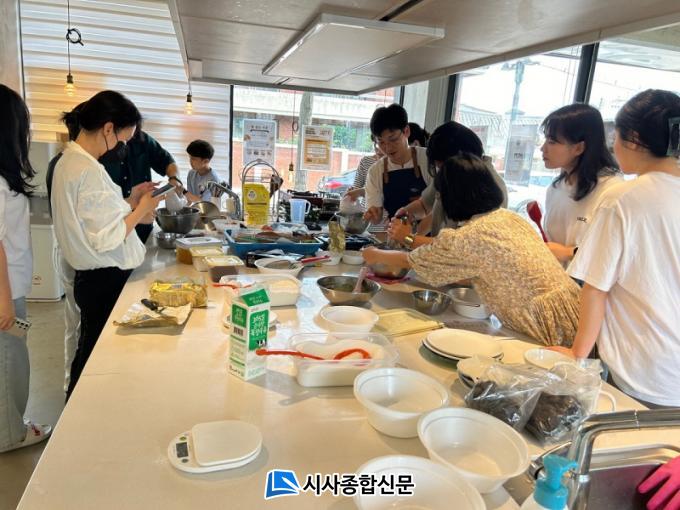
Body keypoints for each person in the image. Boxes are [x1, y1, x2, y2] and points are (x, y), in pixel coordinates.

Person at [363, 153, 580, 346]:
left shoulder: (470, 236)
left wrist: (373, 254)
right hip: (575, 312)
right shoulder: (509, 218)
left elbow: (411, 260)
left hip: (548, 327)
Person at [549, 89, 680, 408]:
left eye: (616, 137)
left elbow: (595, 288)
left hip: (640, 369)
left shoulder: (623, 199)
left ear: (633, 139)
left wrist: (577, 354)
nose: (613, 146)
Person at [51, 90, 163, 397]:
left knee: (89, 350)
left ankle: (78, 406)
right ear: (108, 128)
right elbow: (107, 237)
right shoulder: (86, 170)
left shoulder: (70, 161)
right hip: (102, 279)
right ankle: (78, 413)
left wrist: (131, 199)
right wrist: (142, 208)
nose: (120, 147)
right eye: (122, 140)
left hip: (93, 278)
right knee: (93, 358)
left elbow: (97, 220)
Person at [0, 84, 52, 451]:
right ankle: (9, 434)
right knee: (9, 361)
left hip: (8, 288)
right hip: (5, 291)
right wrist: (4, 301)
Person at [388, 121, 508, 248]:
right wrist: (406, 212)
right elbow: (424, 204)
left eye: (442, 167)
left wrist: (408, 239)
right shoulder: (450, 173)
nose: (441, 171)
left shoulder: (489, 190)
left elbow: (460, 247)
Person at [540, 104, 623, 263]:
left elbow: (612, 252)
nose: (543, 148)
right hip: (553, 276)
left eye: (552, 141)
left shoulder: (611, 192)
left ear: (578, 148)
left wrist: (568, 252)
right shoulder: (556, 188)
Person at [100, 128, 180, 243]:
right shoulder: (99, 149)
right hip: (113, 227)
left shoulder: (142, 139)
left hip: (143, 228)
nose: (126, 141)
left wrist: (175, 178)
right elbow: (99, 212)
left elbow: (167, 161)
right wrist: (138, 212)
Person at [363, 104, 433, 223]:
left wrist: (416, 234)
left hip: (431, 233)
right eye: (381, 142)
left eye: (393, 139)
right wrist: (373, 214)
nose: (388, 147)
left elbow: (439, 208)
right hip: (396, 231)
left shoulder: (428, 159)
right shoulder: (375, 172)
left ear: (406, 131)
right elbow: (376, 218)